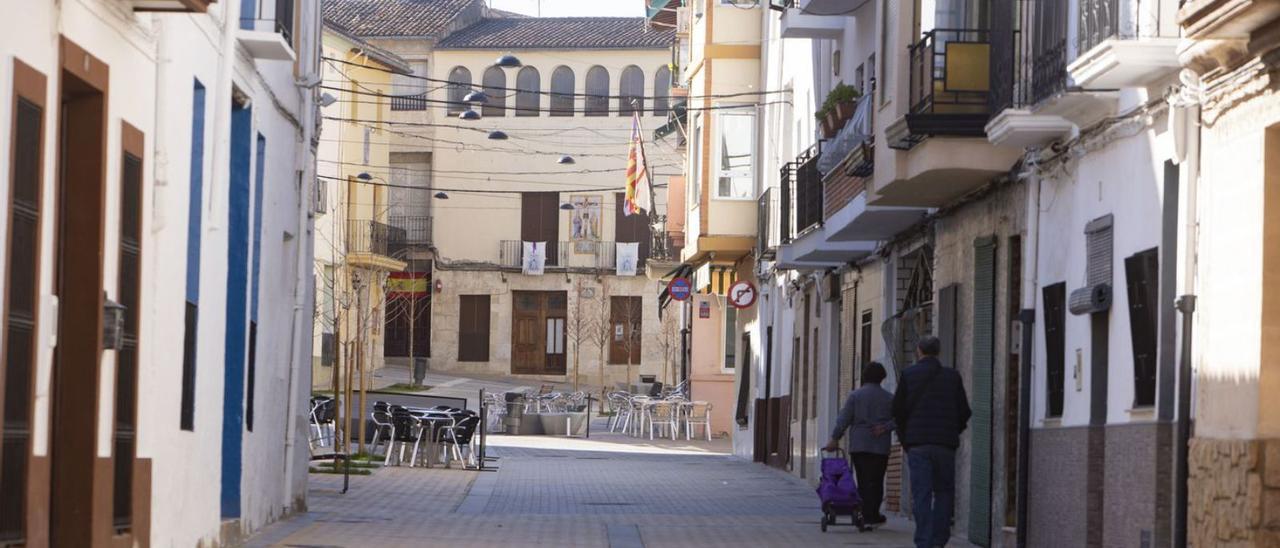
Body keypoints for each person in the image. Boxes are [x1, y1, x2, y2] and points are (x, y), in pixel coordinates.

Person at [892, 335, 972, 548]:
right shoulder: (952, 377)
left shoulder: (908, 375)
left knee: (922, 494)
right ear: (939, 352)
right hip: (945, 444)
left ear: (918, 350)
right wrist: (953, 432)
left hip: (917, 445)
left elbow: (897, 411)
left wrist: (905, 439)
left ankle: (924, 541)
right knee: (944, 492)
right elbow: (964, 411)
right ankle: (939, 539)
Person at [824, 362, 894, 527]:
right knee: (876, 480)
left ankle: (864, 513)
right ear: (882, 377)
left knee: (863, 480)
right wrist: (885, 427)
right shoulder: (889, 398)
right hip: (880, 445)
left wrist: (835, 438)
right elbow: (899, 418)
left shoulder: (855, 396)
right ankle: (873, 514)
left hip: (859, 445)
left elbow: (844, 419)